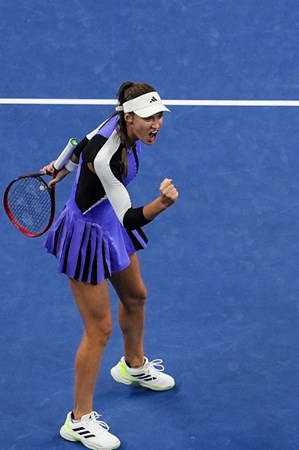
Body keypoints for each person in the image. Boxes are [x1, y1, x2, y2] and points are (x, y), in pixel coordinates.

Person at [41, 81, 178, 449]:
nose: (156, 124)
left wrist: (58, 166)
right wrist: (161, 204)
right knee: (98, 329)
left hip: (109, 225)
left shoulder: (116, 123)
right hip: (86, 234)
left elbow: (77, 142)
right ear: (129, 116)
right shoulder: (106, 157)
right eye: (149, 118)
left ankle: (132, 365)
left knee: (135, 296)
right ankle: (79, 420)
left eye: (159, 116)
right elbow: (131, 217)